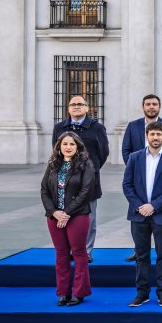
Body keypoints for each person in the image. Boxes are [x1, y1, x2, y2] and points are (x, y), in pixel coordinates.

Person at [122, 121, 162, 307]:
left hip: (161, 214)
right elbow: (127, 185)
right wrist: (141, 206)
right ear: (146, 136)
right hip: (138, 214)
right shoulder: (134, 157)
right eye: (152, 134)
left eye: (159, 134)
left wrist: (153, 206)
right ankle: (142, 293)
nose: (155, 137)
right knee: (141, 255)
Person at [121, 93, 162, 262]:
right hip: (139, 178)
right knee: (140, 226)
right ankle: (138, 250)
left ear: (159, 107)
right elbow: (126, 150)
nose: (151, 107)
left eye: (154, 104)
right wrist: (135, 167)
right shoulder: (133, 126)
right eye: (148, 104)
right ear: (143, 107)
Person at [40, 132, 96, 306]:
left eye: (72, 144)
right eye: (64, 144)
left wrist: (66, 213)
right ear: (59, 147)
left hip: (78, 215)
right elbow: (44, 190)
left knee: (79, 253)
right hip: (54, 217)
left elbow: (86, 191)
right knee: (61, 254)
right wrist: (54, 212)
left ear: (77, 146)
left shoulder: (85, 164)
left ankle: (79, 292)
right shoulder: (53, 164)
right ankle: (63, 292)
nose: (68, 147)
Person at [52, 95, 109, 262]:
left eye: (80, 104)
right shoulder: (59, 128)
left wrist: (91, 170)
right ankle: (69, 249)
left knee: (88, 217)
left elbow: (103, 152)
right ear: (68, 108)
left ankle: (86, 251)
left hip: (88, 181)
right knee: (66, 214)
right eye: (73, 104)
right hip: (64, 180)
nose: (76, 107)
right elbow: (56, 151)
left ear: (86, 108)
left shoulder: (97, 128)